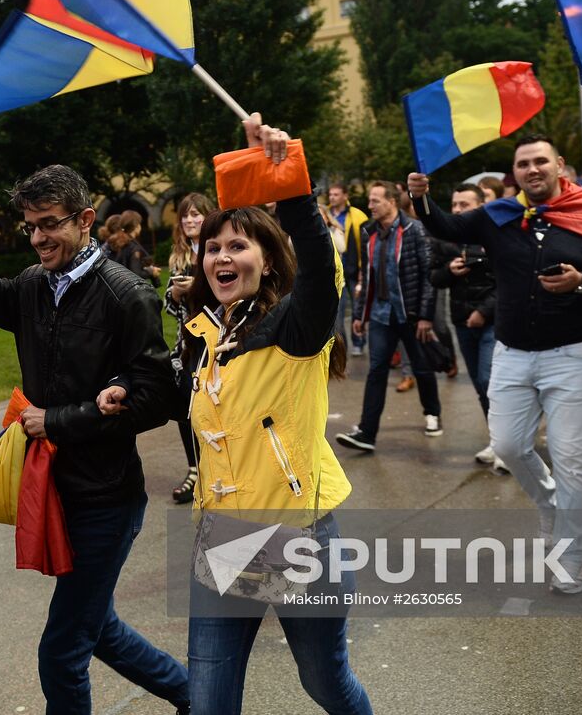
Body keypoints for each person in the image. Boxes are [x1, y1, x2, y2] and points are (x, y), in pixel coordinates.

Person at [0, 164, 190, 714]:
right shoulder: (33, 285)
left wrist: (59, 420)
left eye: (49, 224)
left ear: (84, 220)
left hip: (107, 499)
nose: (37, 238)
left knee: (62, 650)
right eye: (30, 226)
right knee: (95, 628)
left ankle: (199, 694)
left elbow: (160, 398)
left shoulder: (127, 295)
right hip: (56, 491)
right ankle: (199, 695)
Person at [174, 116, 370, 715]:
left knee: (324, 682)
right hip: (223, 540)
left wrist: (289, 186)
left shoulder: (294, 326)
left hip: (297, 539)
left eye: (238, 245)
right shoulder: (204, 335)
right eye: (213, 247)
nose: (222, 257)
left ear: (266, 257)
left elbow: (321, 271)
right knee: (207, 702)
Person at [406, 134, 582, 593]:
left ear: (559, 166)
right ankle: (550, 505)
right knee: (510, 447)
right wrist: (420, 196)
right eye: (523, 164)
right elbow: (446, 228)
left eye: (540, 162)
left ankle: (572, 555)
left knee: (572, 459)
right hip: (512, 354)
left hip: (572, 354)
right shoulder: (500, 215)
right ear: (514, 174)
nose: (532, 170)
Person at [335, 180, 443, 450]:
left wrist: (426, 316)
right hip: (382, 314)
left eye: (375, 200)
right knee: (376, 370)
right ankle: (367, 433)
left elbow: (428, 277)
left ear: (392, 202)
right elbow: (366, 276)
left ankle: (433, 414)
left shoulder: (414, 230)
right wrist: (360, 314)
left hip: (411, 314)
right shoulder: (368, 232)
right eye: (369, 200)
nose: (369, 205)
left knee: (421, 366)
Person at [428, 183, 501, 469]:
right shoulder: (446, 238)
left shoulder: (495, 233)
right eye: (455, 204)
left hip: (492, 321)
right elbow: (433, 277)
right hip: (462, 321)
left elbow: (508, 280)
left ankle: (509, 441)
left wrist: (484, 312)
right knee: (480, 386)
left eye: (464, 205)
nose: (457, 210)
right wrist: (449, 271)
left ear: (481, 205)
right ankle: (498, 440)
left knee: (488, 381)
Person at [166, 192, 215, 505]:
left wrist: (194, 287)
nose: (190, 220)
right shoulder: (179, 256)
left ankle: (219, 469)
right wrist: (175, 294)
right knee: (186, 406)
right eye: (185, 215)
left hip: (218, 340)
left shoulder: (218, 248)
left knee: (216, 406)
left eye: (196, 214)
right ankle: (194, 468)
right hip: (188, 343)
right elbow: (171, 307)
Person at [326, 182, 368, 356]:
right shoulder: (325, 214)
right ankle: (341, 348)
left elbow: (363, 245)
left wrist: (362, 270)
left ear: (345, 196)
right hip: (336, 272)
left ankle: (358, 341)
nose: (332, 197)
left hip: (352, 269)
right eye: (330, 194)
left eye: (336, 194)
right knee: (338, 312)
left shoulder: (357, 216)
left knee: (358, 307)